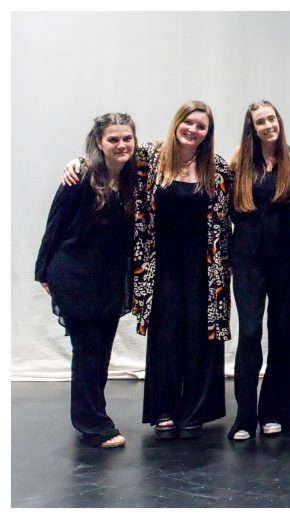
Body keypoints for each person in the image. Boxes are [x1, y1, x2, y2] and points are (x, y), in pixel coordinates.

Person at [64, 100, 233, 440]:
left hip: (205, 266)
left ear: (208, 133)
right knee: (166, 336)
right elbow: (113, 156)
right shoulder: (151, 158)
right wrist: (78, 162)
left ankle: (196, 410)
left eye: (201, 126)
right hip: (161, 264)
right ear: (177, 123)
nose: (193, 130)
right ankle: (165, 410)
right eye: (188, 123)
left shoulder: (216, 167)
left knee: (202, 336)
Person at [36, 113, 137, 449]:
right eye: (113, 139)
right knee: (88, 350)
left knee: (100, 351)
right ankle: (93, 424)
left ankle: (94, 416)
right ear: (99, 143)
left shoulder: (134, 176)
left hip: (109, 278)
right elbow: (55, 224)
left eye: (127, 138)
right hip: (75, 274)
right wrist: (43, 271)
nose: (121, 145)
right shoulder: (80, 177)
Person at [227, 101, 290, 441]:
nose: (269, 125)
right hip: (247, 257)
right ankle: (245, 415)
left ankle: (275, 412)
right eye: (261, 121)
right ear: (252, 127)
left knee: (284, 334)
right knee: (250, 333)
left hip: (287, 255)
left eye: (272, 118)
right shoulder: (238, 159)